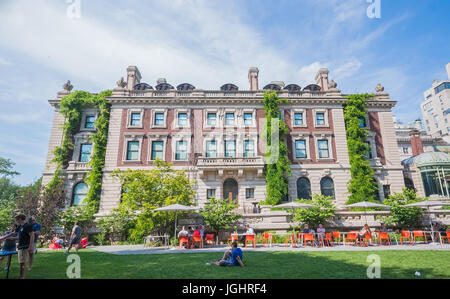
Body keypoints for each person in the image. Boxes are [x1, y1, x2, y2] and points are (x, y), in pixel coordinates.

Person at [0, 214, 34, 279]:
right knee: (21, 262)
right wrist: (3, 238)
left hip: (25, 246)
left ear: (20, 218)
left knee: (22, 262)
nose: (16, 221)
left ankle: (22, 277)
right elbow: (13, 233)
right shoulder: (20, 226)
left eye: (17, 219)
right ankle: (21, 276)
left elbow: (32, 235)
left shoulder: (27, 226)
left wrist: (30, 246)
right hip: (20, 246)